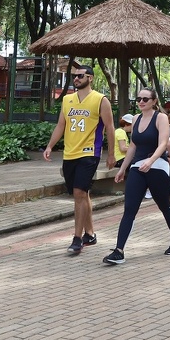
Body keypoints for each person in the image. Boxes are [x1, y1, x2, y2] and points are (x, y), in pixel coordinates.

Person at [102, 87, 170, 264]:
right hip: (138, 168)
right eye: (138, 98)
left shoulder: (160, 118)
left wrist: (151, 161)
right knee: (129, 208)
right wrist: (123, 168)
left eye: (145, 99)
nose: (141, 102)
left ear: (154, 101)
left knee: (164, 205)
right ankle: (119, 251)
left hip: (158, 166)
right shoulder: (136, 119)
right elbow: (132, 147)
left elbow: (163, 144)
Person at [43, 64, 115, 255]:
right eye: (74, 76)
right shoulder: (67, 100)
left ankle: (77, 238)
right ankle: (90, 234)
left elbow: (109, 128)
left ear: (90, 78)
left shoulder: (101, 100)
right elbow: (61, 125)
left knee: (78, 194)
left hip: (90, 152)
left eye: (80, 76)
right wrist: (50, 145)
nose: (76, 79)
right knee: (83, 195)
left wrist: (111, 154)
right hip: (70, 153)